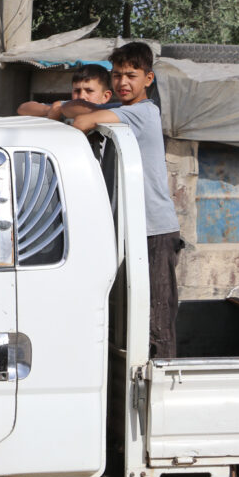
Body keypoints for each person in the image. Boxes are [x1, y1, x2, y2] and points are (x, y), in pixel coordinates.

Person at [72, 42, 182, 359]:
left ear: (148, 79)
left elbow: (80, 122)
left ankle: (161, 398)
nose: (123, 83)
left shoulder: (143, 113)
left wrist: (60, 110)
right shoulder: (121, 113)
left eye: (131, 75)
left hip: (153, 232)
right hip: (129, 232)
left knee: (157, 323)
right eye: (118, 75)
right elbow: (29, 109)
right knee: (127, 320)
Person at [17, 63, 119, 121]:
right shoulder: (65, 108)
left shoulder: (113, 113)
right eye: (77, 90)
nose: (82, 96)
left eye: (89, 91)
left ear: (106, 96)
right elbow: (23, 109)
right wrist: (51, 109)